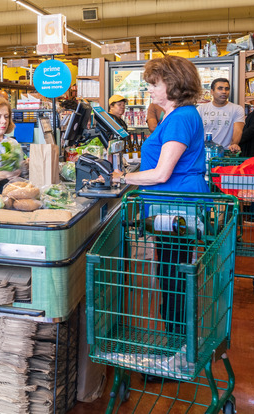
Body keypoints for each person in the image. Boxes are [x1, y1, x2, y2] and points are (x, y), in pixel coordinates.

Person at [109, 55, 206, 342]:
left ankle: (177, 346)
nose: (149, 89)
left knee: (172, 278)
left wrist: (122, 178)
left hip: (176, 209)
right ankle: (176, 341)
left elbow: (162, 173)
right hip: (172, 208)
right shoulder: (176, 116)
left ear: (174, 84)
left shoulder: (180, 118)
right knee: (170, 276)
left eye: (154, 83)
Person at [198, 78, 244, 152]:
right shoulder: (201, 109)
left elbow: (238, 130)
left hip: (226, 152)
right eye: (220, 89)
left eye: (227, 89)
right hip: (204, 151)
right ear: (212, 92)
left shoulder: (237, 109)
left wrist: (234, 144)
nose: (224, 92)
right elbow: (196, 132)